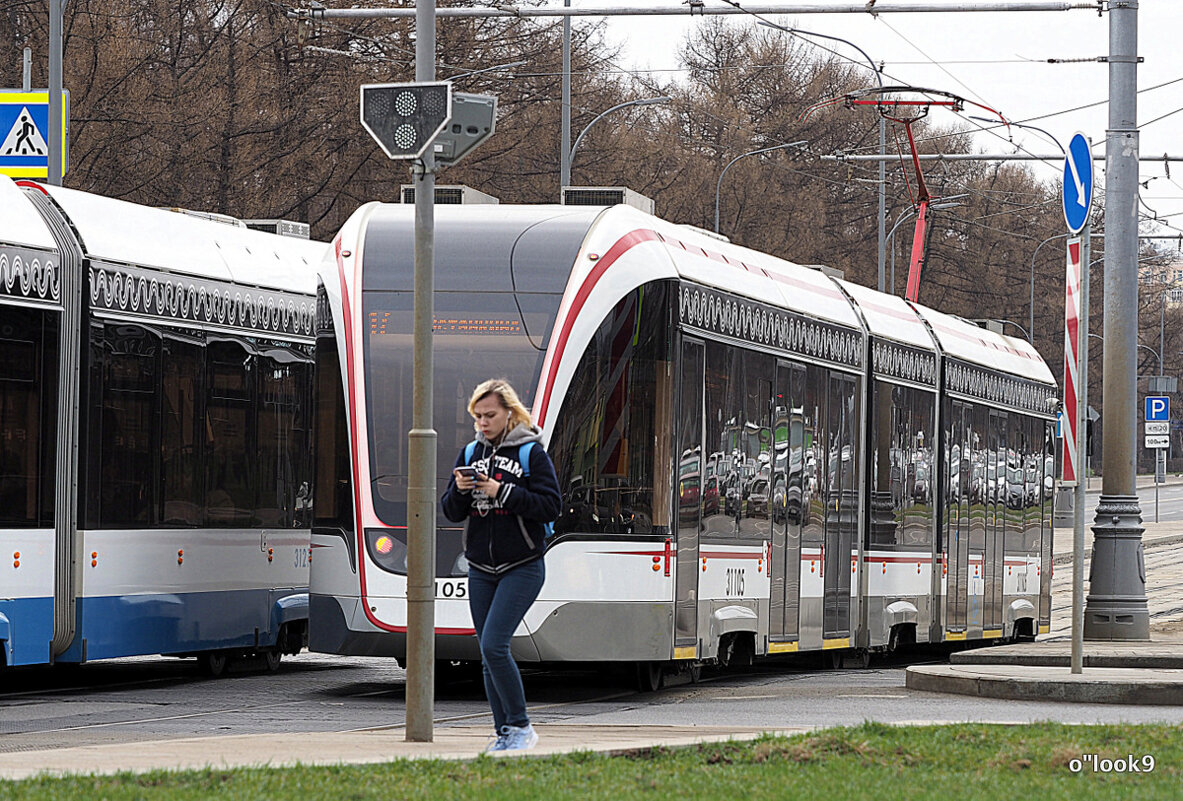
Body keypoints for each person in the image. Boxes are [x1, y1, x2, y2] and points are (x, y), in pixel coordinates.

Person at [440, 379, 560, 753]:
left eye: (489, 415)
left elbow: (550, 506)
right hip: (480, 567)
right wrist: (459, 492)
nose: (483, 423)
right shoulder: (470, 452)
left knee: (494, 644)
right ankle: (504, 733)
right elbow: (449, 511)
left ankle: (522, 727)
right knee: (487, 653)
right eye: (477, 417)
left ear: (510, 412)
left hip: (522, 564)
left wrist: (500, 490)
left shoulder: (531, 454)